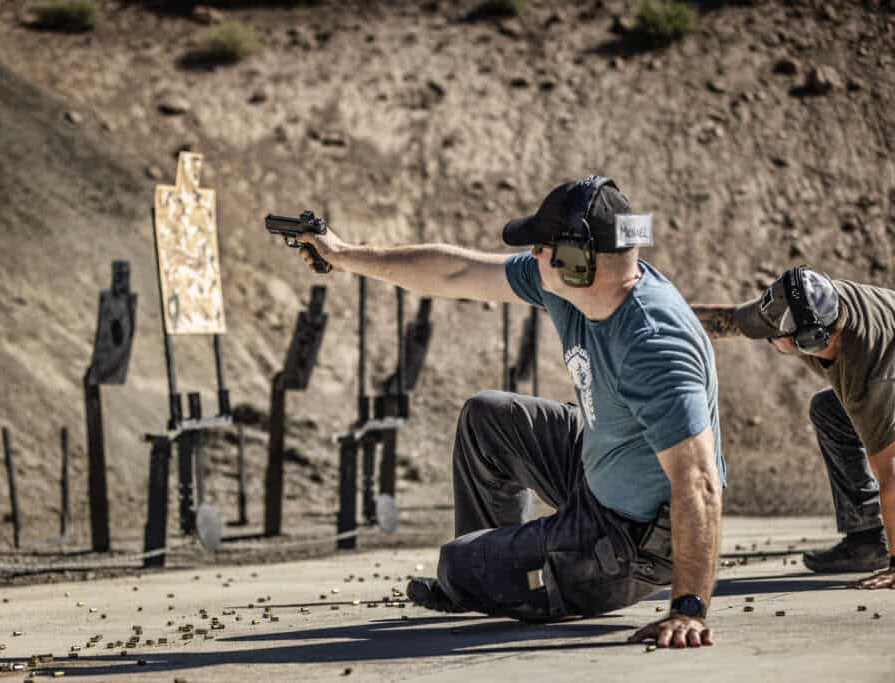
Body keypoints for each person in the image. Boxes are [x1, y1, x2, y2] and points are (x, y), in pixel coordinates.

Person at [292, 176, 726, 648]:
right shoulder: (567, 285)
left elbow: (698, 482)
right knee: (487, 417)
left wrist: (688, 608)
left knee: (456, 566)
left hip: (629, 541)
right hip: (601, 467)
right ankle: (496, 572)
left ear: (578, 259)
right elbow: (455, 272)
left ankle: (490, 572)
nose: (534, 256)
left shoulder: (653, 345)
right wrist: (343, 254)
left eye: (542, 247)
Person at [692, 267, 895, 587]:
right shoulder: (812, 305)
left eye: (772, 334)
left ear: (810, 340)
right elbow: (728, 320)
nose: (765, 336)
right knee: (829, 410)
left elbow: (891, 477)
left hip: (887, 374)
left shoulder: (868, 379)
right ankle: (867, 538)